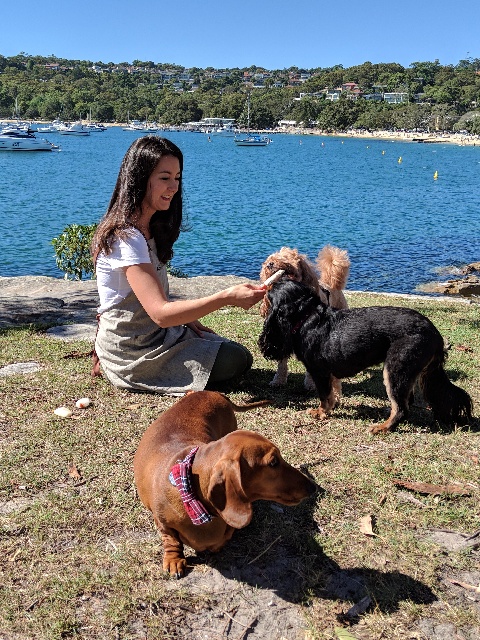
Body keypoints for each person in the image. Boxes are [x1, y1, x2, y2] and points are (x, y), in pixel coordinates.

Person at [91, 136, 265, 394]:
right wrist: (227, 297)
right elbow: (160, 313)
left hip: (156, 336)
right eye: (164, 178)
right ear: (140, 178)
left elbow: (155, 301)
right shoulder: (126, 238)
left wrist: (187, 320)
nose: (173, 187)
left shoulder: (148, 229)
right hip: (134, 350)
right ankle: (114, 367)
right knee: (237, 359)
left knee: (235, 352)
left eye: (177, 178)